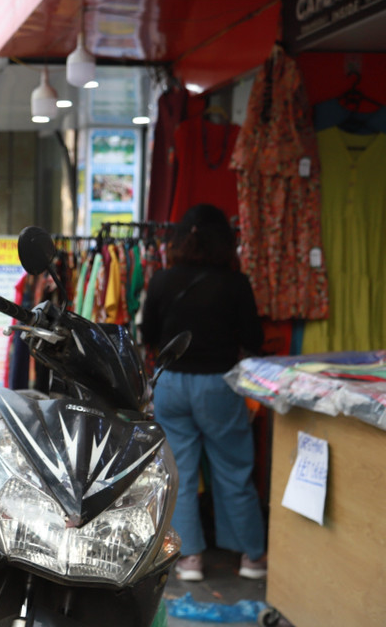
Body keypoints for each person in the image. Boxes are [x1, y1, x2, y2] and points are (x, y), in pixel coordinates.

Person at [141, 203, 267, 583]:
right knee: (233, 470)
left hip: (172, 386)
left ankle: (190, 558)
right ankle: (251, 556)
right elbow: (254, 340)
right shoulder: (235, 284)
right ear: (225, 242)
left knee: (179, 473)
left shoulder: (161, 281)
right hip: (219, 385)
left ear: (180, 238)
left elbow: (148, 338)